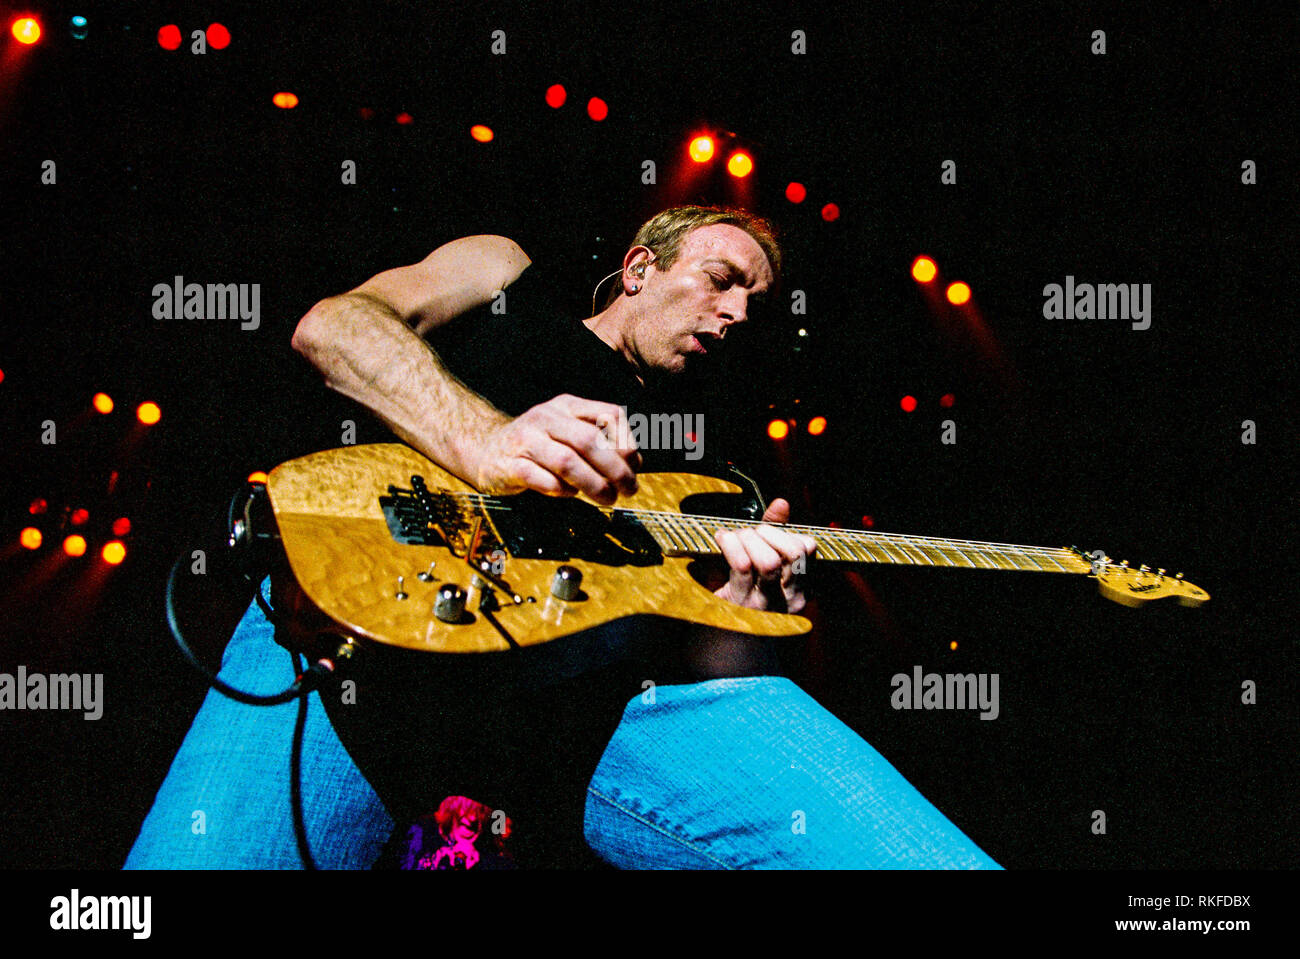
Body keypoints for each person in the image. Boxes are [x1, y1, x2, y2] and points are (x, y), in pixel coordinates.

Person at [126, 206, 1000, 869]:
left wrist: (741, 621)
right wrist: (485, 439)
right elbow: (335, 327)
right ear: (637, 267)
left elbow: (689, 647)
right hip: (352, 647)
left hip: (580, 717)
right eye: (721, 278)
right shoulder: (507, 275)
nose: (736, 312)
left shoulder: (716, 468)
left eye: (755, 304)